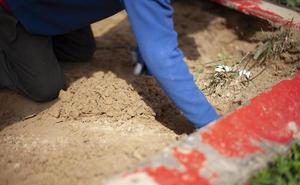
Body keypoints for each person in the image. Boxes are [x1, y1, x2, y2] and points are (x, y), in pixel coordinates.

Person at [0, 0, 219, 129]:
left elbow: (152, 26)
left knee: (80, 52)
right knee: (45, 87)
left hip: (57, 7)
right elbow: (161, 53)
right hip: (15, 7)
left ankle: (41, 32)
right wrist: (211, 125)